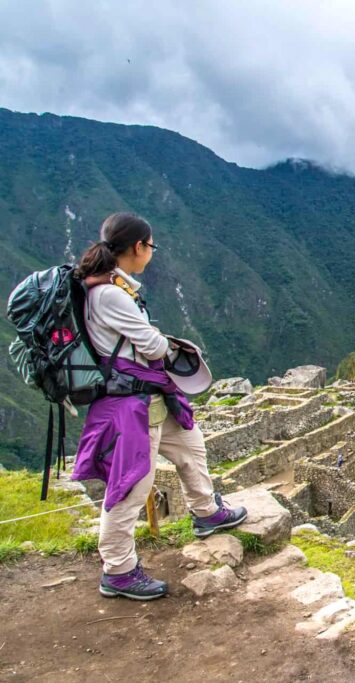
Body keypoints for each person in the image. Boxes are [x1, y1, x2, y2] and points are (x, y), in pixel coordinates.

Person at [71, 213, 247, 601]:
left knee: (190, 442)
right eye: (150, 246)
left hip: (150, 395)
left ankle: (206, 511)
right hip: (131, 402)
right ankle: (117, 569)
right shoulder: (109, 294)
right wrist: (169, 345)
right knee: (133, 485)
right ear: (138, 247)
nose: (151, 253)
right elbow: (150, 347)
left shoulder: (114, 286)